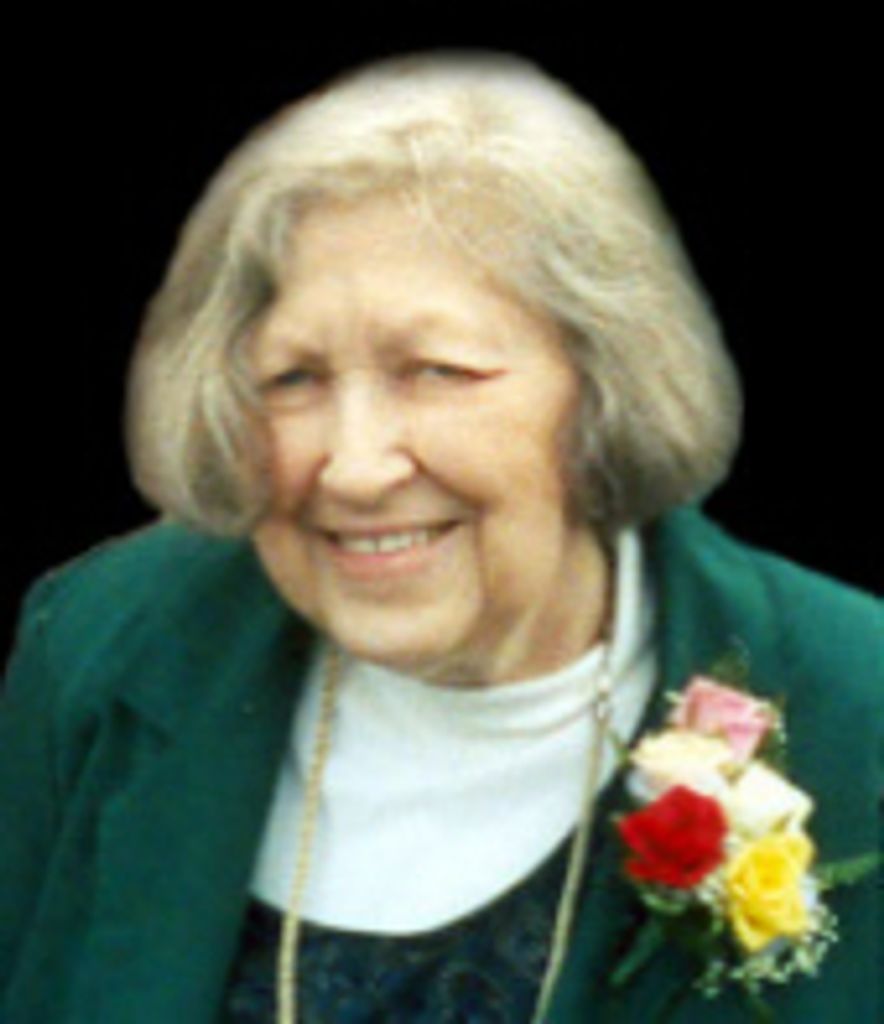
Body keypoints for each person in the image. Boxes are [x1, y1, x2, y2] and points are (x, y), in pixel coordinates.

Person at [1, 51, 880, 1024]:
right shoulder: (98, 640)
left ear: (601, 386)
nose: (354, 465)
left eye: (435, 370)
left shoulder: (860, 696)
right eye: (293, 378)